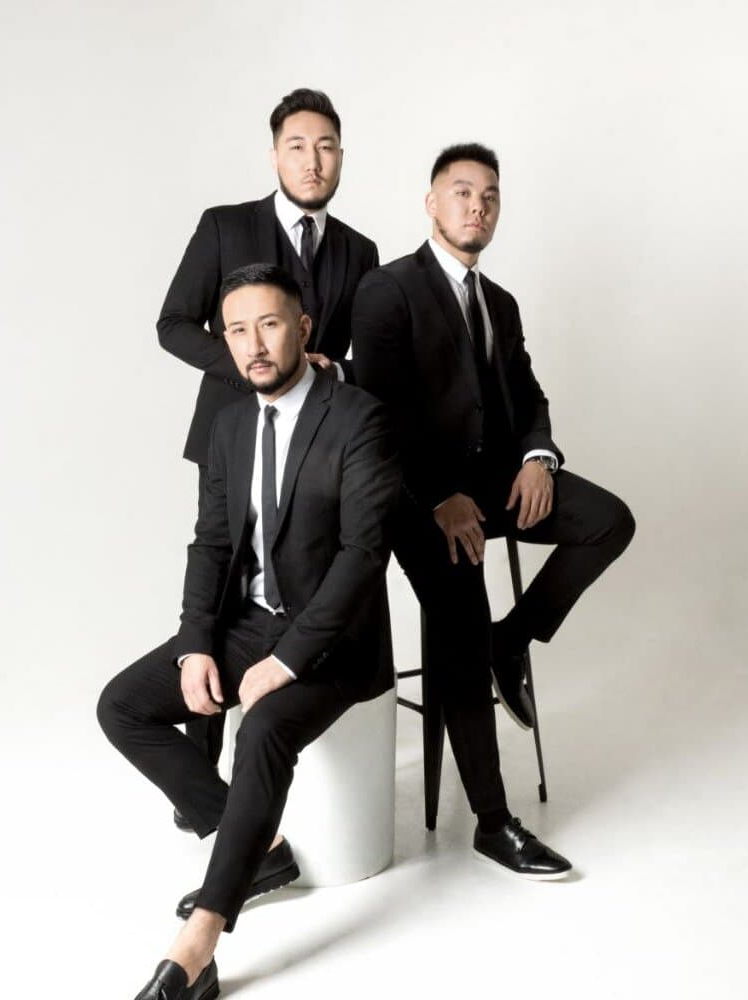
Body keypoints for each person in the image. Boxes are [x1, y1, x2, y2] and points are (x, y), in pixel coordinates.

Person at [98, 263, 399, 1000]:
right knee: (122, 705)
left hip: (336, 641)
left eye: (268, 324)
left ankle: (199, 942)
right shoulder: (230, 424)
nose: (253, 345)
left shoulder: (358, 417)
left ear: (302, 328)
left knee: (260, 729)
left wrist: (288, 660)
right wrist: (196, 643)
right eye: (236, 330)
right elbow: (209, 543)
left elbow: (363, 557)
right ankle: (256, 843)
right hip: (248, 622)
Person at [352, 143, 635, 878]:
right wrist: (436, 497)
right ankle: (491, 821)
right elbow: (376, 415)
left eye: (490, 197)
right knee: (459, 624)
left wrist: (538, 457)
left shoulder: (498, 302)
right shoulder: (387, 289)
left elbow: (528, 393)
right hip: (418, 499)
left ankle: (514, 638)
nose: (477, 207)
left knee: (609, 520)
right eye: (462, 193)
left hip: (497, 481)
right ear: (431, 203)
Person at [157, 88, 379, 797]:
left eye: (325, 147)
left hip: (315, 438)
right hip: (231, 434)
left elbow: (364, 358)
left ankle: (284, 709)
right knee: (224, 578)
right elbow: (173, 324)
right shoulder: (226, 226)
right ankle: (206, 771)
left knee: (304, 568)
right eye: (297, 146)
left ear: (340, 157)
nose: (312, 161)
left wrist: (329, 370)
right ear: (274, 155)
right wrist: (252, 368)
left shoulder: (359, 250)